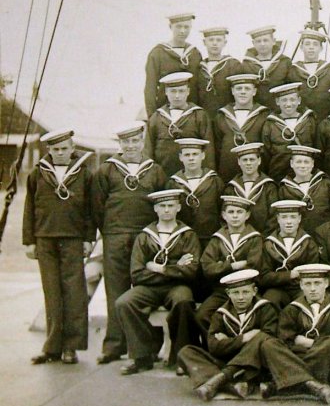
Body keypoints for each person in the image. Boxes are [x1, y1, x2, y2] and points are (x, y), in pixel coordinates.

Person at [92, 124, 167, 364]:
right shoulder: (106, 170)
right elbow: (96, 206)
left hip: (145, 237)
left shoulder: (155, 170)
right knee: (115, 289)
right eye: (126, 142)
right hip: (115, 236)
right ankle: (114, 345)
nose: (131, 146)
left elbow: (162, 205)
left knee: (146, 289)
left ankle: (150, 346)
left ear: (142, 141)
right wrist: (108, 232)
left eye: (135, 141)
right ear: (120, 144)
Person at [24, 129, 94, 365]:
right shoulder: (38, 173)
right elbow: (29, 209)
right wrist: (30, 241)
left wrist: (88, 238)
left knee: (74, 292)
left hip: (73, 238)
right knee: (51, 292)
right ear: (49, 150)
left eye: (64, 148)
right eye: (55, 149)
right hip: (45, 238)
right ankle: (52, 346)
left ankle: (71, 347)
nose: (60, 153)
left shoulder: (85, 173)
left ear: (72, 149)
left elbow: (89, 210)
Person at [116, 189, 201, 374]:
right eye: (162, 206)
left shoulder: (187, 235)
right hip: (149, 288)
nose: (167, 210)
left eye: (171, 206)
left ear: (178, 207)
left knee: (184, 301)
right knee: (124, 302)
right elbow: (137, 274)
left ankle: (182, 358)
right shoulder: (145, 236)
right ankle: (142, 356)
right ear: (155, 209)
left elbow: (191, 272)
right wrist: (175, 268)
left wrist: (160, 268)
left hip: (177, 287)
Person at [177, 269, 278, 401]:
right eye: (236, 292)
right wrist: (244, 338)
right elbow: (214, 347)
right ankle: (231, 385)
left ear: (254, 291)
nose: (241, 297)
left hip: (255, 366)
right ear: (228, 293)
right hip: (227, 361)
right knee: (186, 352)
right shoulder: (220, 314)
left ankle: (219, 381)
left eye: (245, 292)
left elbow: (268, 338)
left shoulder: (265, 309)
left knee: (262, 339)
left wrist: (228, 341)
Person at [260, 264, 330, 403]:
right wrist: (300, 345)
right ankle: (313, 385)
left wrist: (312, 343)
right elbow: (286, 339)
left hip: (325, 359)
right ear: (301, 285)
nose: (313, 289)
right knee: (268, 344)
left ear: (326, 283)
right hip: (298, 355)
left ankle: (285, 383)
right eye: (308, 284)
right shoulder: (292, 309)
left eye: (317, 283)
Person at [197, 196, 265, 332]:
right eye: (231, 212)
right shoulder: (218, 239)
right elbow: (207, 267)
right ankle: (215, 347)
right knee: (202, 315)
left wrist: (220, 266)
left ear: (247, 215)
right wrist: (232, 266)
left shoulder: (255, 238)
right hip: (222, 291)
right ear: (224, 215)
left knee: (257, 317)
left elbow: (253, 267)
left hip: (246, 292)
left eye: (239, 212)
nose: (235, 216)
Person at [144, 72, 215, 177]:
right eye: (173, 91)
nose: (177, 96)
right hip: (163, 175)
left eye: (181, 91)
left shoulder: (199, 115)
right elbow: (148, 149)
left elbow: (208, 151)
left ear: (188, 92)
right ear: (166, 92)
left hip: (192, 177)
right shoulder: (157, 117)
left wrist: (207, 176)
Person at [166, 138, 225, 254]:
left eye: (195, 154)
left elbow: (223, 210)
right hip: (183, 241)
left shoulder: (214, 181)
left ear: (203, 155)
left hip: (210, 239)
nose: (191, 158)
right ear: (180, 157)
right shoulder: (173, 183)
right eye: (187, 155)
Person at [261, 200, 321, 308]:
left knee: (308, 300)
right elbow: (264, 277)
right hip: (277, 288)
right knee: (269, 300)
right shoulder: (269, 243)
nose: (288, 222)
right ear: (278, 219)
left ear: (299, 218)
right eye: (284, 217)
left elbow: (313, 271)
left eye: (293, 217)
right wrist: (289, 275)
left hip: (301, 288)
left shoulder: (308, 243)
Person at [214, 73, 270, 182]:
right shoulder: (221, 116)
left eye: (247, 88)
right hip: (228, 169)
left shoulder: (264, 115)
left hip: (255, 172)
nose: (243, 91)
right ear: (232, 91)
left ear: (254, 91)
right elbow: (217, 146)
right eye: (239, 88)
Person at [144, 13, 202, 117]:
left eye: (186, 27)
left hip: (191, 115)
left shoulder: (194, 54)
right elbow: (150, 88)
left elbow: (199, 86)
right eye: (178, 26)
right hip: (165, 113)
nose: (182, 31)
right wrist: (152, 117)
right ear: (170, 27)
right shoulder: (158, 53)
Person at [262, 82, 317, 181]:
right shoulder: (270, 123)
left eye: (292, 99)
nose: (288, 104)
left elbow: (316, 146)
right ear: (277, 102)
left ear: (299, 100)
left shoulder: (309, 121)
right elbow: (266, 153)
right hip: (279, 174)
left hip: (305, 175)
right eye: (284, 100)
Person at [278, 145, 330, 234]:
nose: (303, 166)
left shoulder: (325, 183)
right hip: (300, 236)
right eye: (299, 162)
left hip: (325, 234)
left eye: (306, 162)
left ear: (312, 163)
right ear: (291, 163)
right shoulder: (285, 188)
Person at [223, 142, 278, 233]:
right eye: (244, 160)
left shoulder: (269, 187)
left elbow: (274, 217)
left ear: (259, 161)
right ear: (239, 162)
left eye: (252, 159)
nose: (248, 163)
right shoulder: (231, 187)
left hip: (263, 237)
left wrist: (263, 238)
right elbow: (225, 216)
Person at [287, 29, 330, 119]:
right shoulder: (293, 70)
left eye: (315, 44)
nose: (311, 47)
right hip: (301, 121)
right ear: (301, 47)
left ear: (321, 48)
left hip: (325, 119)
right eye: (307, 44)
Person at [241, 26, 292, 111]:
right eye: (258, 41)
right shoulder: (246, 64)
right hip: (255, 112)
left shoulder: (284, 62)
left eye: (266, 40)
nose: (262, 44)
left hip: (279, 111)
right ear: (253, 43)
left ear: (273, 41)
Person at [196, 27, 241, 115]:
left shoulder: (232, 64)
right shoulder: (199, 67)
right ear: (204, 42)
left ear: (224, 43)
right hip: (204, 115)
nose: (215, 43)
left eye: (218, 40)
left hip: (227, 115)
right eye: (211, 40)